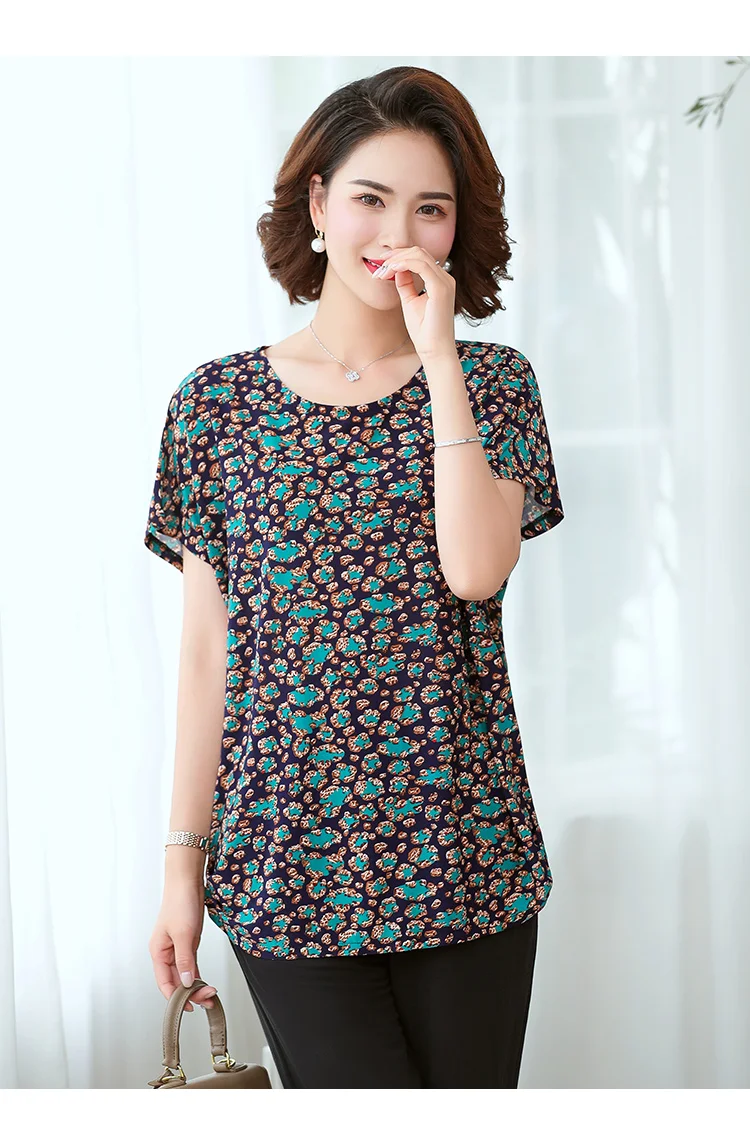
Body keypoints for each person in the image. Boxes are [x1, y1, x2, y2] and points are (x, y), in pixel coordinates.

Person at [145, 64, 565, 1089]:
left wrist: (440, 359)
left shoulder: (495, 384)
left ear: (456, 230)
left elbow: (475, 571)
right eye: (372, 198)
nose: (398, 233)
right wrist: (180, 869)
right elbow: (206, 656)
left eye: (432, 209)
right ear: (319, 202)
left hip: (463, 848)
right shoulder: (215, 406)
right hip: (283, 860)